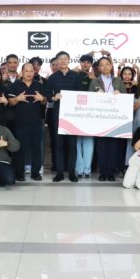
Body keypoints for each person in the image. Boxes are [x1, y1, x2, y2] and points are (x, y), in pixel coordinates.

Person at [46, 51, 82, 182]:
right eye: (60, 59)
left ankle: (72, 173)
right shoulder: (52, 77)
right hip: (58, 115)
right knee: (59, 145)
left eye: (65, 59)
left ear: (69, 60)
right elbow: (47, 94)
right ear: (57, 61)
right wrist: (53, 97)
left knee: (72, 146)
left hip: (73, 115)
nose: (62, 61)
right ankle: (60, 173)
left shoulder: (76, 76)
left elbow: (81, 95)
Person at [89, 56, 126, 181]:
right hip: (100, 118)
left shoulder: (118, 80)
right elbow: (89, 100)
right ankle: (102, 172)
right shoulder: (94, 82)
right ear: (99, 68)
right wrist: (96, 96)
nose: (104, 67)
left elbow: (125, 98)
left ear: (111, 66)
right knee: (101, 146)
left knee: (113, 146)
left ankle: (110, 173)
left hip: (115, 118)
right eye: (102, 65)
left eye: (107, 64)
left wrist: (120, 95)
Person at [9, 63, 46, 181]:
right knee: (19, 149)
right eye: (26, 71)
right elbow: (10, 102)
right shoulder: (15, 85)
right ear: (22, 72)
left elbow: (45, 101)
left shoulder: (39, 85)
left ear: (34, 72)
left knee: (36, 148)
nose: (29, 73)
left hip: (36, 122)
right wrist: (17, 98)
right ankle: (19, 173)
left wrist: (42, 99)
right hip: (20, 123)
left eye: (31, 71)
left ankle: (35, 173)